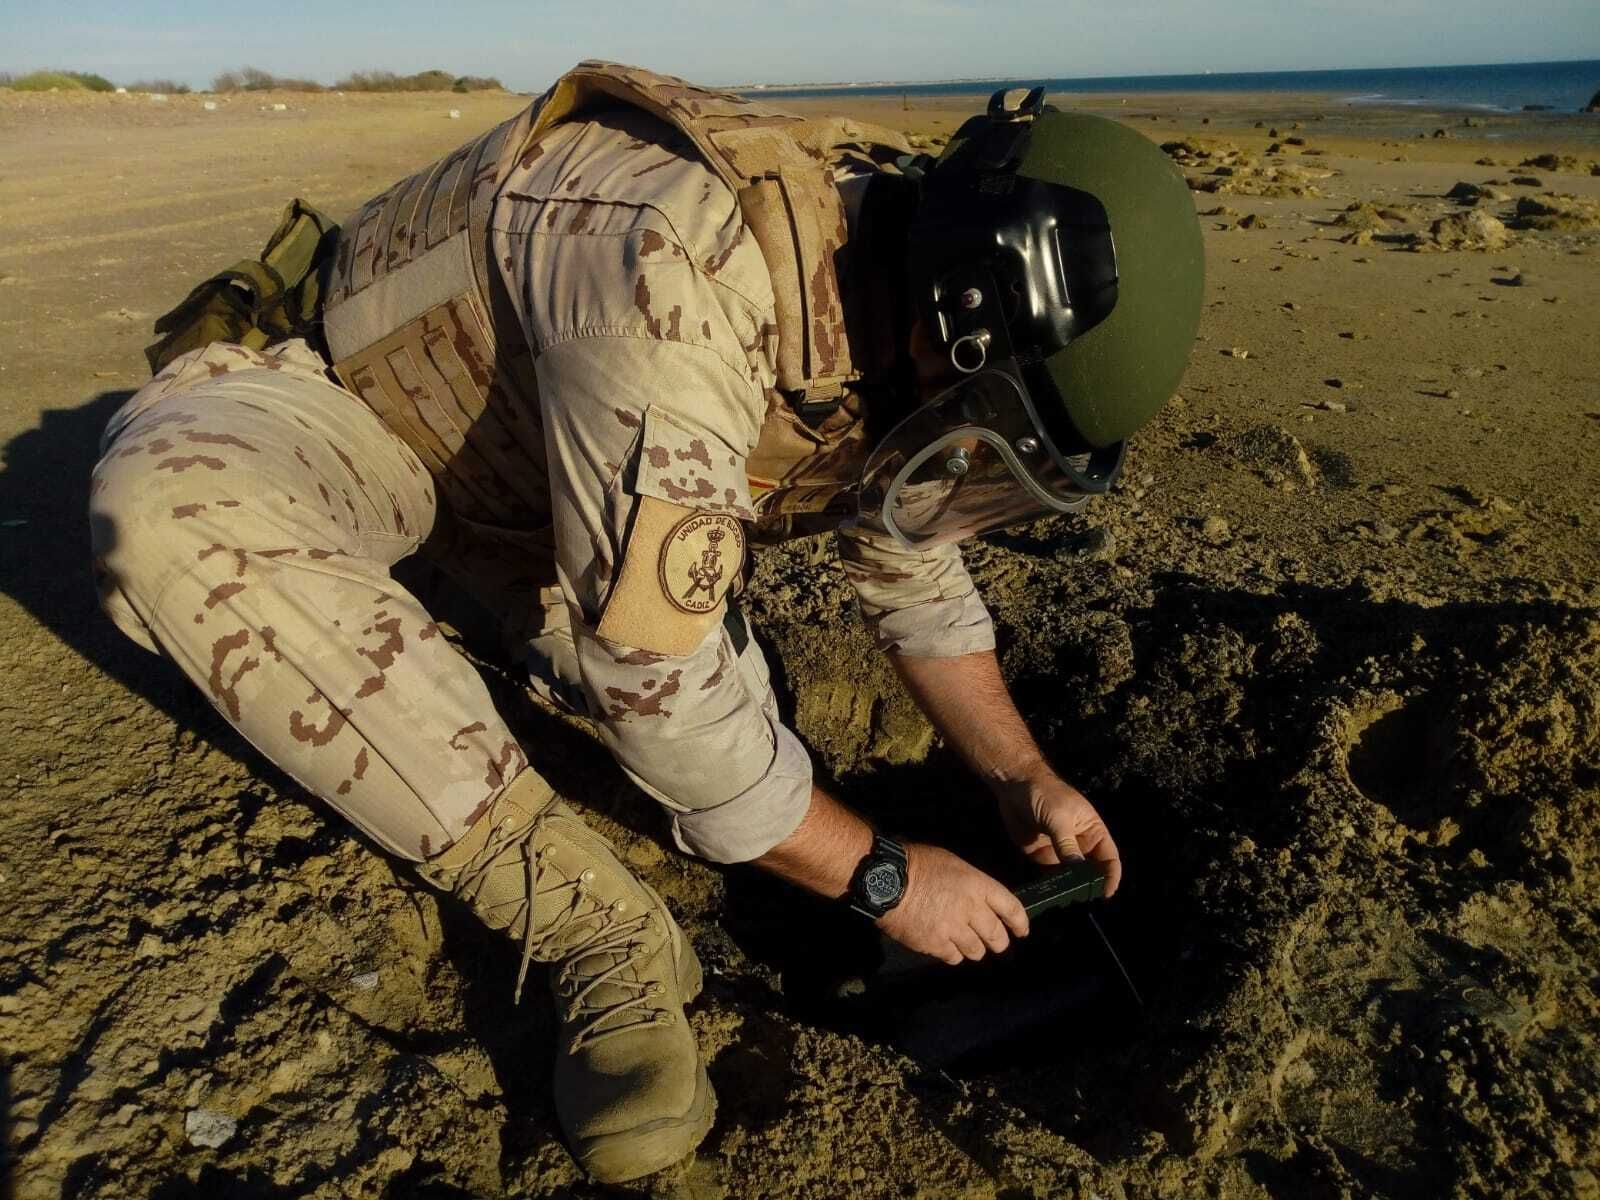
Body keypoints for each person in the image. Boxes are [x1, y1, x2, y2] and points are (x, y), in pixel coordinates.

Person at [89, 63, 1203, 1182]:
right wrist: (885, 880)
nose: (964, 451)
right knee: (170, 518)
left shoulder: (899, 271)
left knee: (719, 743)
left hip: (534, 496)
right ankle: (600, 931)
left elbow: (907, 556)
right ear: (952, 313)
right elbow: (655, 686)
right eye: (980, 414)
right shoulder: (678, 275)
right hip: (355, 415)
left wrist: (1020, 775)